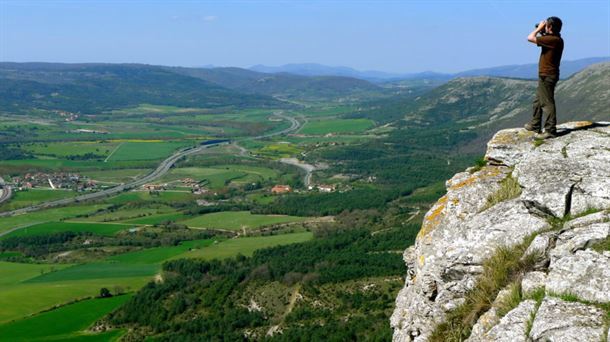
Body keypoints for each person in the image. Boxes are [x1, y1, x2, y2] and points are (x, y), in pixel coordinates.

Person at [524, 16, 564, 139]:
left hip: (548, 75)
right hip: (546, 75)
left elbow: (529, 38)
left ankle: (550, 130)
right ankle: (535, 124)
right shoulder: (553, 39)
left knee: (547, 103)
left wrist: (539, 29)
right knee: (538, 101)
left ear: (550, 27)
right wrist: (543, 30)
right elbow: (542, 38)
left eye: (546, 25)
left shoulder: (553, 40)